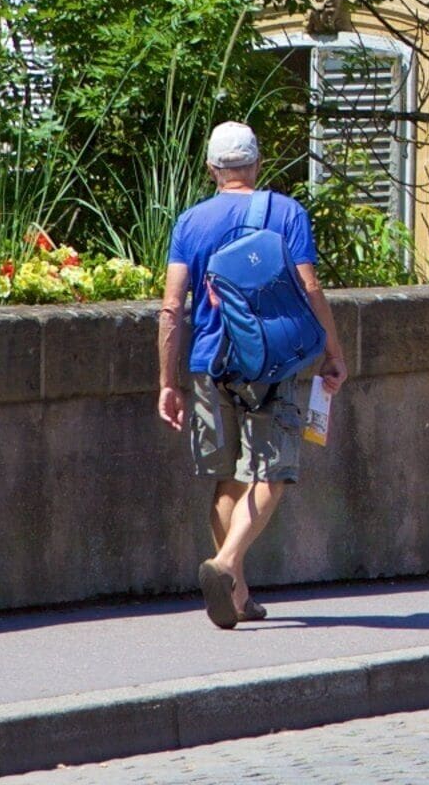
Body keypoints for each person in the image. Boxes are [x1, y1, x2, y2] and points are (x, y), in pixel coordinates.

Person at [158, 121, 350, 628]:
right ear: (257, 163)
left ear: (212, 168)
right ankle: (225, 567)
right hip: (272, 362)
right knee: (273, 471)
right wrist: (332, 351)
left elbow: (172, 307)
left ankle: (238, 594)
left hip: (207, 362)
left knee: (225, 478)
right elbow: (308, 287)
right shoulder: (285, 212)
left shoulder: (191, 222)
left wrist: (166, 381)